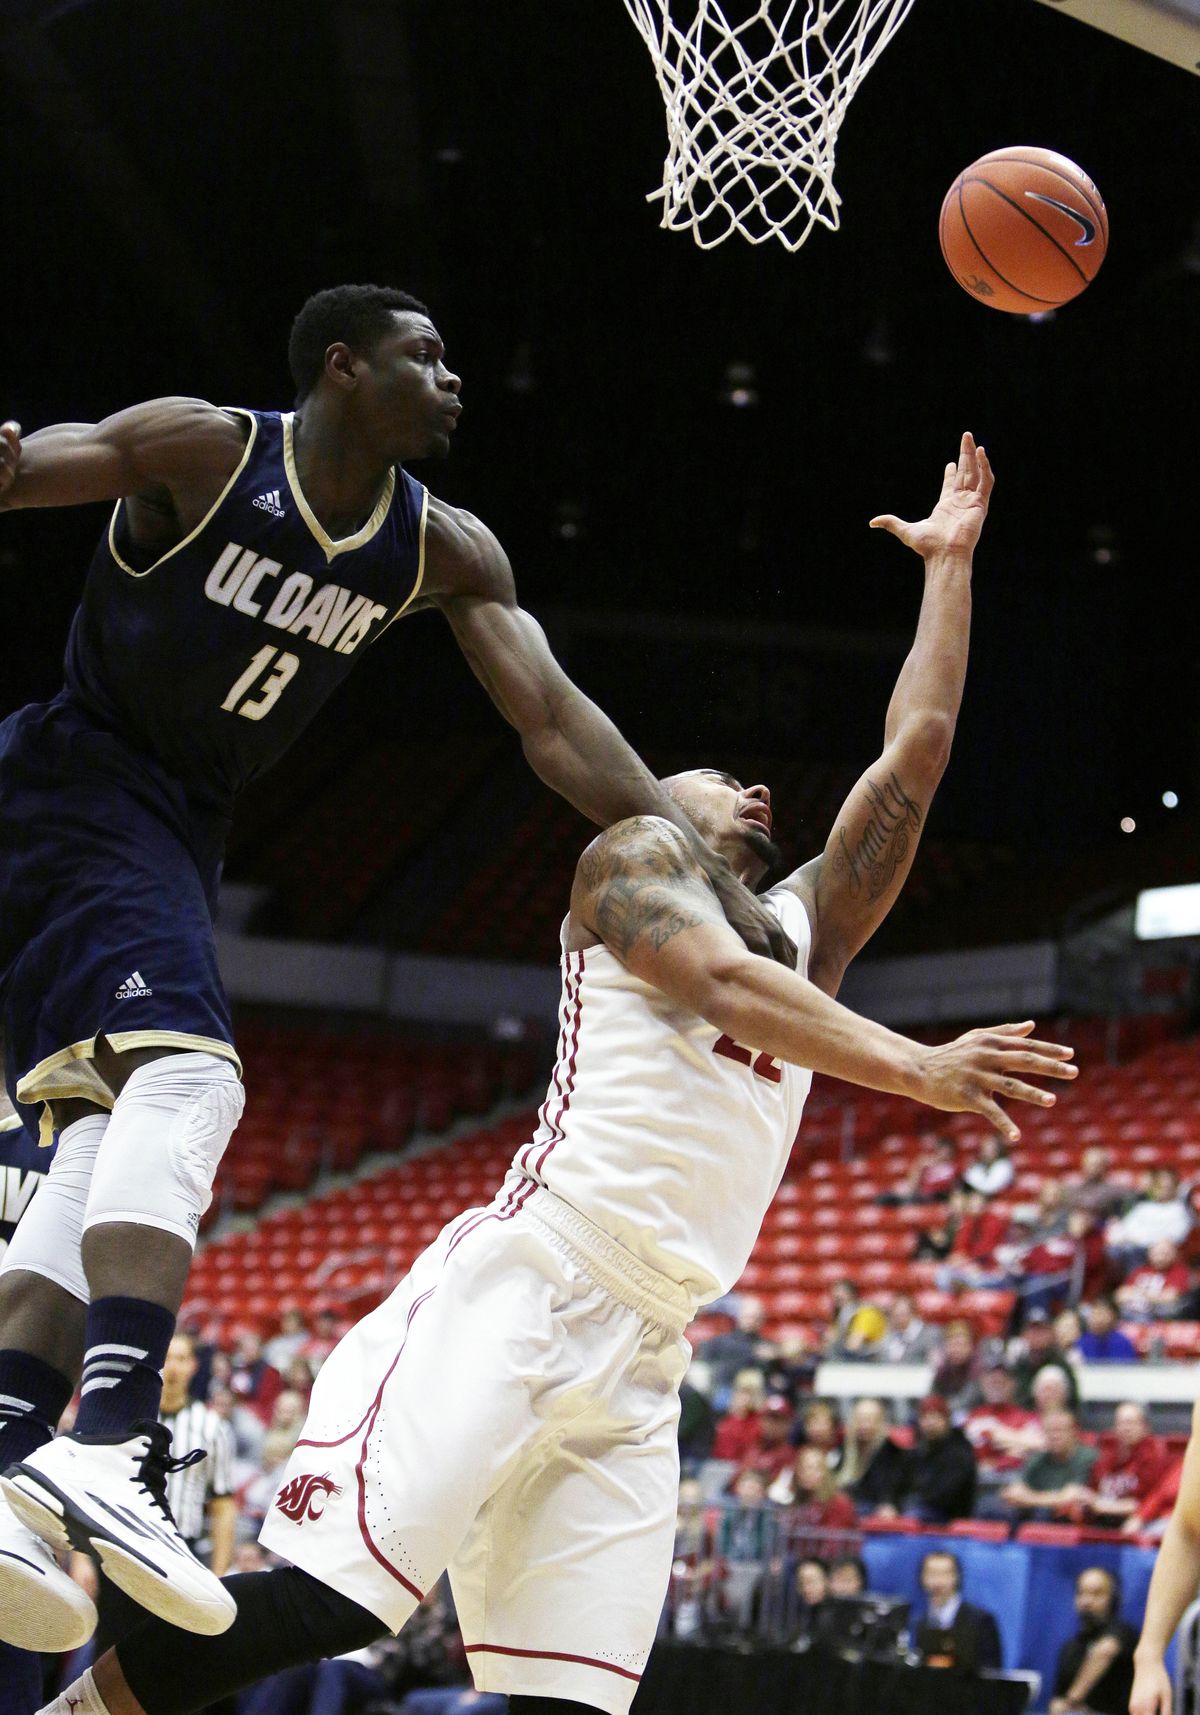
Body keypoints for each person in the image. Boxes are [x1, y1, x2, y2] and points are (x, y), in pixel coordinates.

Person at [47, 437, 1074, 1715]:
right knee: (326, 1605)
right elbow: (720, 987)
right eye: (717, 777)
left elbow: (912, 752)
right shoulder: (630, 860)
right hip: (532, 1281)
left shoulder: (808, 930)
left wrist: (951, 568)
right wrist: (916, 1065)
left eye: (759, 787)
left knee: (571, 1705)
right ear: (658, 795)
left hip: (648, 1347)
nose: (753, 789)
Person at [0, 283, 792, 1650]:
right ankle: (111, 1438)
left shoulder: (441, 549)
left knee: (94, 1138)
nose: (453, 377)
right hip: (78, 780)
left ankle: (13, 1463)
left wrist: (703, 863)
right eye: (426, 355)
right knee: (189, 1084)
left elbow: (553, 722)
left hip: (183, 822)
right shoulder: (208, 448)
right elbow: (41, 466)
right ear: (343, 366)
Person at [1051, 1568, 1137, 1715]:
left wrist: (1072, 1700)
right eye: (1081, 1593)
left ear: (1113, 1598)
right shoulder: (1070, 1648)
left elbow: (1106, 1652)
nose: (1087, 1601)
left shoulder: (1124, 1633)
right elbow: (1057, 1702)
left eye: (1096, 1594)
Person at [1000, 1408, 1097, 1522]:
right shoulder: (1038, 1458)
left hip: (1073, 1519)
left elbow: (1071, 1497)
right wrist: (1048, 1499)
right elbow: (1014, 1492)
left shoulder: (1086, 1457)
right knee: (997, 1511)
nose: (1054, 1436)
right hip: (1038, 1511)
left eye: (1059, 1430)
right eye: (1049, 1431)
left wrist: (1028, 1499)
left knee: (1045, 1513)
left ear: (1074, 1432)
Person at [1082, 1402, 1167, 1528]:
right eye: (1121, 1423)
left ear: (1145, 1427)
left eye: (1131, 1423)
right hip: (1102, 1522)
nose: (1126, 1428)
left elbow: (1148, 1502)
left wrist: (1101, 1505)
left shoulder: (1155, 1458)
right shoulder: (1106, 1457)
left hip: (1137, 1525)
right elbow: (1093, 1492)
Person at [915, 1550, 1002, 1672]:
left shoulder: (980, 1620)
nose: (937, 1582)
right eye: (932, 1573)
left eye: (944, 1574)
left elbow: (991, 1672)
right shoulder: (921, 1622)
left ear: (956, 1576)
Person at [896, 1395, 978, 1524]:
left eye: (936, 1417)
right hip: (918, 1508)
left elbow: (945, 1496)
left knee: (911, 1516)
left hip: (948, 1517)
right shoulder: (916, 1451)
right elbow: (898, 1483)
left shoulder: (960, 1452)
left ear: (946, 1420)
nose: (930, 1422)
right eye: (925, 1417)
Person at [837, 1398, 910, 1515]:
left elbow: (895, 1489)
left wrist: (892, 1506)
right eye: (860, 1420)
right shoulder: (844, 1448)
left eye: (870, 1420)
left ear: (881, 1423)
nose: (864, 1426)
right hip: (849, 1504)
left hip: (874, 1507)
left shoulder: (892, 1452)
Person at [767, 1444, 858, 1535]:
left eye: (815, 1468)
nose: (808, 1473)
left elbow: (834, 1542)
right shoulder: (797, 1502)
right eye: (803, 1468)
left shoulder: (840, 1503)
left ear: (825, 1473)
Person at [1116, 1237, 1191, 1321]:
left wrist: (1138, 1293)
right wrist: (1154, 1296)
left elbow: (1170, 1297)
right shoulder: (1140, 1271)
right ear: (1149, 1254)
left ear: (1174, 1254)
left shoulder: (1179, 1272)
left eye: (1165, 1254)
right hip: (1132, 1313)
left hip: (1161, 1317)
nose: (1161, 1258)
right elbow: (1120, 1295)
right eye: (1157, 1254)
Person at [875, 1294, 939, 1364]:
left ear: (913, 1313)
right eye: (895, 1315)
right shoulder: (887, 1334)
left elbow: (935, 1364)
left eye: (902, 1314)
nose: (899, 1318)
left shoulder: (929, 1334)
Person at [1076, 1296, 1139, 1363]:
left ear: (1114, 1317)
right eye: (1095, 1313)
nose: (1098, 1319)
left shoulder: (1123, 1343)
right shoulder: (1082, 1341)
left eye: (1102, 1314)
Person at [962, 1136, 1014, 1200]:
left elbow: (990, 1187)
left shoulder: (1004, 1165)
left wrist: (974, 1180)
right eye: (985, 1149)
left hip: (1000, 1198)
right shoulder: (978, 1165)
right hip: (981, 1195)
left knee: (976, 1199)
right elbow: (967, 1177)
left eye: (991, 1148)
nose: (987, 1152)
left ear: (998, 1149)